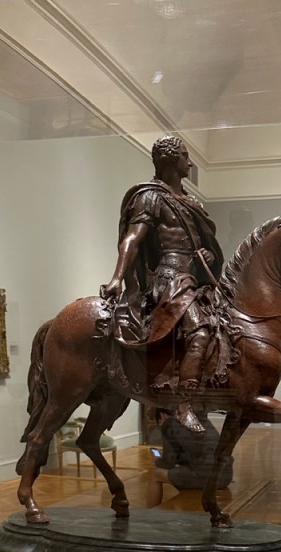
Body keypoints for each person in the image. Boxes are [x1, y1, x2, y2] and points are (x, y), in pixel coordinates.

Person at [101, 135, 224, 435]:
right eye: (185, 155)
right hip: (170, 278)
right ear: (170, 159)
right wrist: (117, 277)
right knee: (199, 331)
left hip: (195, 278)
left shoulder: (191, 202)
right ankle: (183, 404)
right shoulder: (150, 197)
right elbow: (133, 239)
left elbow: (203, 243)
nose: (190, 163)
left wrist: (207, 255)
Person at [147, 407, 233, 507]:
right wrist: (169, 453)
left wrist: (157, 460)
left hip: (208, 477)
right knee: (182, 471)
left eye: (159, 423)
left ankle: (149, 513)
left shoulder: (169, 423)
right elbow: (196, 451)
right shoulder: (198, 418)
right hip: (225, 475)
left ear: (162, 415)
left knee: (155, 475)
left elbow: (168, 464)